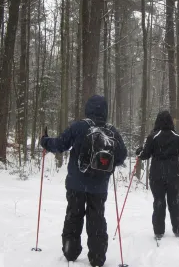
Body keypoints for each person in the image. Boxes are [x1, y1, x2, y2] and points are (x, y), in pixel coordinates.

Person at [41, 95, 127, 267]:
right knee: (97, 219)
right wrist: (108, 167)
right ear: (105, 110)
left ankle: (70, 251)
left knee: (74, 214)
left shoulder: (80, 126)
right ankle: (97, 258)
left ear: (88, 109)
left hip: (76, 183)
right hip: (99, 186)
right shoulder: (112, 131)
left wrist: (45, 141)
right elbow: (122, 155)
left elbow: (60, 144)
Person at [136, 110, 179, 240]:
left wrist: (139, 151)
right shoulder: (177, 137)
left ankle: (159, 231)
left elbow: (145, 155)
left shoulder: (153, 136)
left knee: (159, 202)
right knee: (174, 201)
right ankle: (178, 230)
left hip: (156, 175)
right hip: (174, 174)